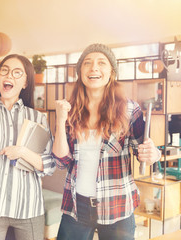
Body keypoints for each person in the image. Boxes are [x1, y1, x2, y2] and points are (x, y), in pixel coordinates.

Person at [52, 43, 161, 240]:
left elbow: (143, 151)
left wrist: (154, 153)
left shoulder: (129, 110)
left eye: (101, 62)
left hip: (117, 206)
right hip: (77, 206)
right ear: (80, 72)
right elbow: (61, 162)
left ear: (111, 73)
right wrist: (60, 121)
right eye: (87, 63)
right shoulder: (69, 111)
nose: (94, 67)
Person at [0, 54, 55, 240]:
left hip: (29, 207)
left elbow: (48, 165)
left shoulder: (37, 118)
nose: (9, 76)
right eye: (5, 71)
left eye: (17, 73)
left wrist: (22, 152)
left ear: (25, 82)